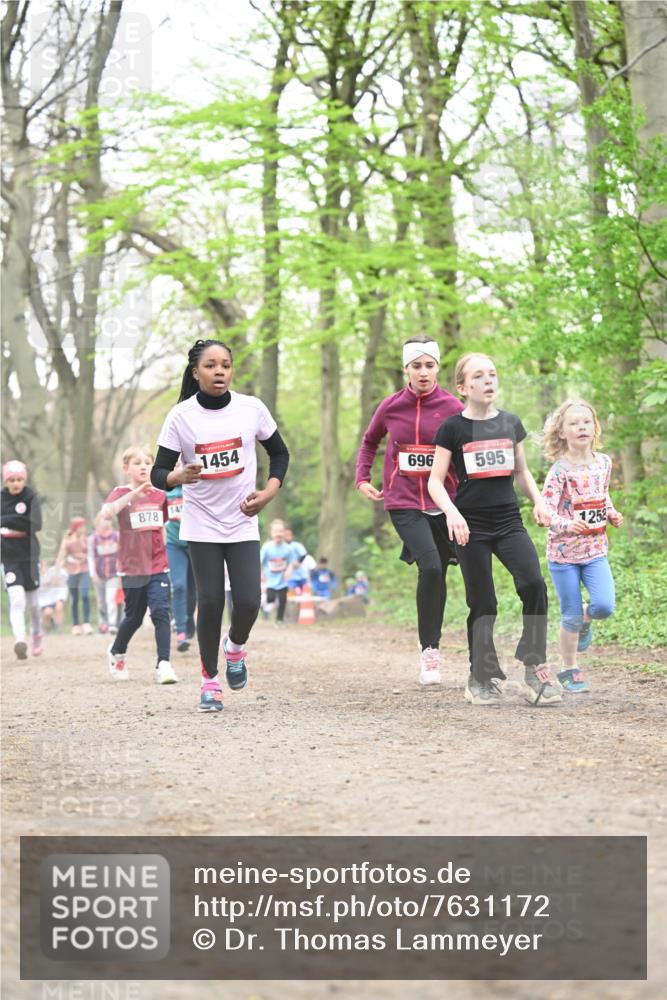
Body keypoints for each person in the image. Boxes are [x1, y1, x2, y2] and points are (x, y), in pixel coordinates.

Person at [150, 338, 289, 713]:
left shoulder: (251, 409)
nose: (219, 372)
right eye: (210, 366)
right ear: (196, 373)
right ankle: (209, 681)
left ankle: (235, 648)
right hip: (201, 523)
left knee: (249, 601)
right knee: (210, 601)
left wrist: (268, 493)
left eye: (225, 365)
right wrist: (178, 476)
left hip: (242, 520)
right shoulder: (181, 416)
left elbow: (279, 453)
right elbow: (158, 474)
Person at [428, 352, 562, 707]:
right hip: (469, 525)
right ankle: (480, 676)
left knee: (533, 584)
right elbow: (435, 482)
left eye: (492, 373)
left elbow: (521, 472)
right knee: (483, 601)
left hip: (508, 521)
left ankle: (534, 668)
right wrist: (452, 513)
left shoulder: (510, 423)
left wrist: (539, 501)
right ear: (462, 387)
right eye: (478, 376)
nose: (488, 380)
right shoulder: (452, 428)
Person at [355, 336, 463, 684]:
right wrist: (362, 478)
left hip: (443, 501)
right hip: (402, 500)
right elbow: (369, 441)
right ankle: (429, 652)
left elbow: (466, 450)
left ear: (438, 367)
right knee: (429, 566)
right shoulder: (390, 406)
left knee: (439, 572)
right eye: (416, 366)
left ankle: (432, 642)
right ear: (406, 369)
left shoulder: (453, 407)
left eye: (429, 365)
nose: (423, 372)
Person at [541, 399, 624, 693]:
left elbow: (602, 495)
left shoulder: (604, 462)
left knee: (604, 606)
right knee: (570, 615)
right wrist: (566, 524)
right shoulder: (559, 471)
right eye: (574, 423)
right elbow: (545, 512)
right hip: (563, 555)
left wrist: (611, 513)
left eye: (586, 422)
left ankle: (585, 617)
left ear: (595, 427)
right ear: (562, 432)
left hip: (595, 551)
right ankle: (569, 669)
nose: (581, 427)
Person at [100, 446, 177, 685]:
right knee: (133, 617)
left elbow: (161, 527)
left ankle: (163, 664)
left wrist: (165, 555)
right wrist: (134, 494)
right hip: (132, 566)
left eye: (147, 462)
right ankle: (117, 652)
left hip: (158, 564)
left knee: (161, 612)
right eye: (137, 463)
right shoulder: (120, 492)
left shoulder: (160, 495)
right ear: (126, 468)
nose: (143, 467)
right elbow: (106, 513)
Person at [1, 461, 42, 659]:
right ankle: (20, 641)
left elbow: (36, 524)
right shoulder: (1, 498)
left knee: (33, 605)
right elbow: (25, 522)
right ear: (5, 481)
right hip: (8, 556)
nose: (15, 483)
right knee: (17, 599)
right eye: (11, 480)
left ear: (24, 480)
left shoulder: (31, 497)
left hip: (29, 555)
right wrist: (20, 521)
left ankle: (37, 634)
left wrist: (6, 520)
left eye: (19, 479)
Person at [165, 477, 197, 651]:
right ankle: (181, 632)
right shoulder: (165, 492)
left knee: (193, 589)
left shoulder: (196, 488)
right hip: (174, 545)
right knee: (178, 586)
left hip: (195, 543)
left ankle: (189, 618)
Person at [58, 517, 93, 635]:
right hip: (71, 571)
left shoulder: (86, 539)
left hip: (84, 569)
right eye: (82, 526)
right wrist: (60, 569)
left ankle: (86, 623)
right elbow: (62, 555)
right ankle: (76, 624)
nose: (84, 528)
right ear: (76, 527)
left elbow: (90, 553)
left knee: (85, 595)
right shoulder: (67, 540)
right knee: (74, 598)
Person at [260, 519, 299, 622]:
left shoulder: (288, 548)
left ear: (284, 533)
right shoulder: (266, 547)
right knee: (270, 598)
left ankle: (279, 619)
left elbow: (292, 562)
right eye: (276, 531)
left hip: (283, 580)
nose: (278, 534)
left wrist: (289, 570)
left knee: (283, 600)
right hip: (270, 580)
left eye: (281, 531)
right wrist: (260, 574)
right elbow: (259, 561)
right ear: (271, 533)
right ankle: (264, 606)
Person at [88, 512, 120, 635]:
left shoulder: (116, 536)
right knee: (101, 601)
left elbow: (121, 554)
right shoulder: (93, 538)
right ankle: (103, 624)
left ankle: (112, 624)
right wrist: (93, 574)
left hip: (113, 573)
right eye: (103, 520)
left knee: (110, 598)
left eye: (107, 520)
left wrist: (120, 571)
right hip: (99, 574)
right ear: (97, 522)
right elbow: (90, 557)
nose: (105, 522)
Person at [39, 561, 68, 632]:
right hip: (43, 602)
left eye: (45, 567)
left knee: (59, 607)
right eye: (42, 568)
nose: (44, 569)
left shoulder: (52, 572)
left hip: (53, 599)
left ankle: (60, 628)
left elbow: (62, 574)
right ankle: (46, 627)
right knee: (48, 612)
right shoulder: (38, 578)